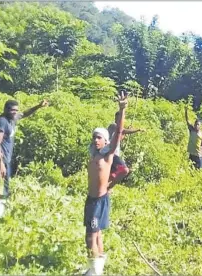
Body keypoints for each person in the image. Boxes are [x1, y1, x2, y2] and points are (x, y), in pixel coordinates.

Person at [84, 93, 128, 276]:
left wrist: (122, 109)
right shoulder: (93, 154)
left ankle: (93, 271)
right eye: (94, 137)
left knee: (90, 236)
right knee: (97, 233)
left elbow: (118, 133)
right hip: (91, 200)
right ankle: (97, 267)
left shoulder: (108, 155)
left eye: (99, 138)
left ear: (105, 140)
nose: (96, 140)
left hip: (100, 200)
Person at [0, 99, 48, 217]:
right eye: (12, 110)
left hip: (6, 159)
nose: (15, 112)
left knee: (4, 186)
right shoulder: (2, 121)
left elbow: (24, 114)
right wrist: (1, 163)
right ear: (6, 110)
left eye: (16, 110)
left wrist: (38, 106)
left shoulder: (12, 119)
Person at [107, 111, 144, 189]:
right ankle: (108, 187)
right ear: (116, 118)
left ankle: (107, 187)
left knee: (113, 173)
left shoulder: (117, 129)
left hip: (114, 154)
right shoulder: (113, 126)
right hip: (112, 154)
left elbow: (119, 137)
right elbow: (123, 131)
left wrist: (124, 134)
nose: (123, 120)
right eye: (121, 118)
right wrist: (137, 130)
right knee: (124, 170)